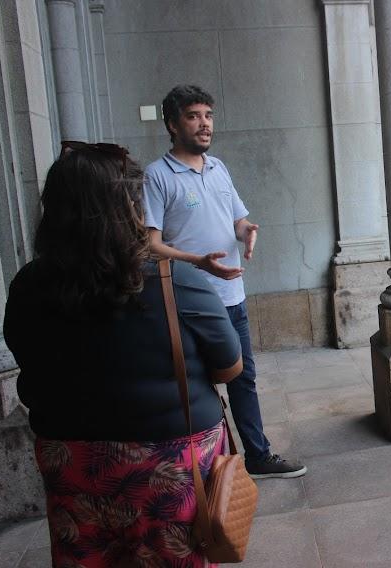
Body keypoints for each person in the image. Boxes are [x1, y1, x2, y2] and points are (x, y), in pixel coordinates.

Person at [4, 142, 242, 567]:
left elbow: (26, 355)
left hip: (72, 463)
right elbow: (229, 367)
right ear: (130, 209)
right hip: (170, 466)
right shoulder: (176, 283)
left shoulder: (27, 286)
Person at [143, 84, 306, 478]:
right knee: (196, 383)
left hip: (231, 295)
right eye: (193, 116)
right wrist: (197, 262)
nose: (204, 124)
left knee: (242, 377)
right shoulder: (157, 176)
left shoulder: (219, 168)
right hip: (187, 300)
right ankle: (204, 466)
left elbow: (237, 220)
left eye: (208, 116)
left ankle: (258, 455)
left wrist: (247, 230)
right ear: (172, 123)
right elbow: (151, 245)